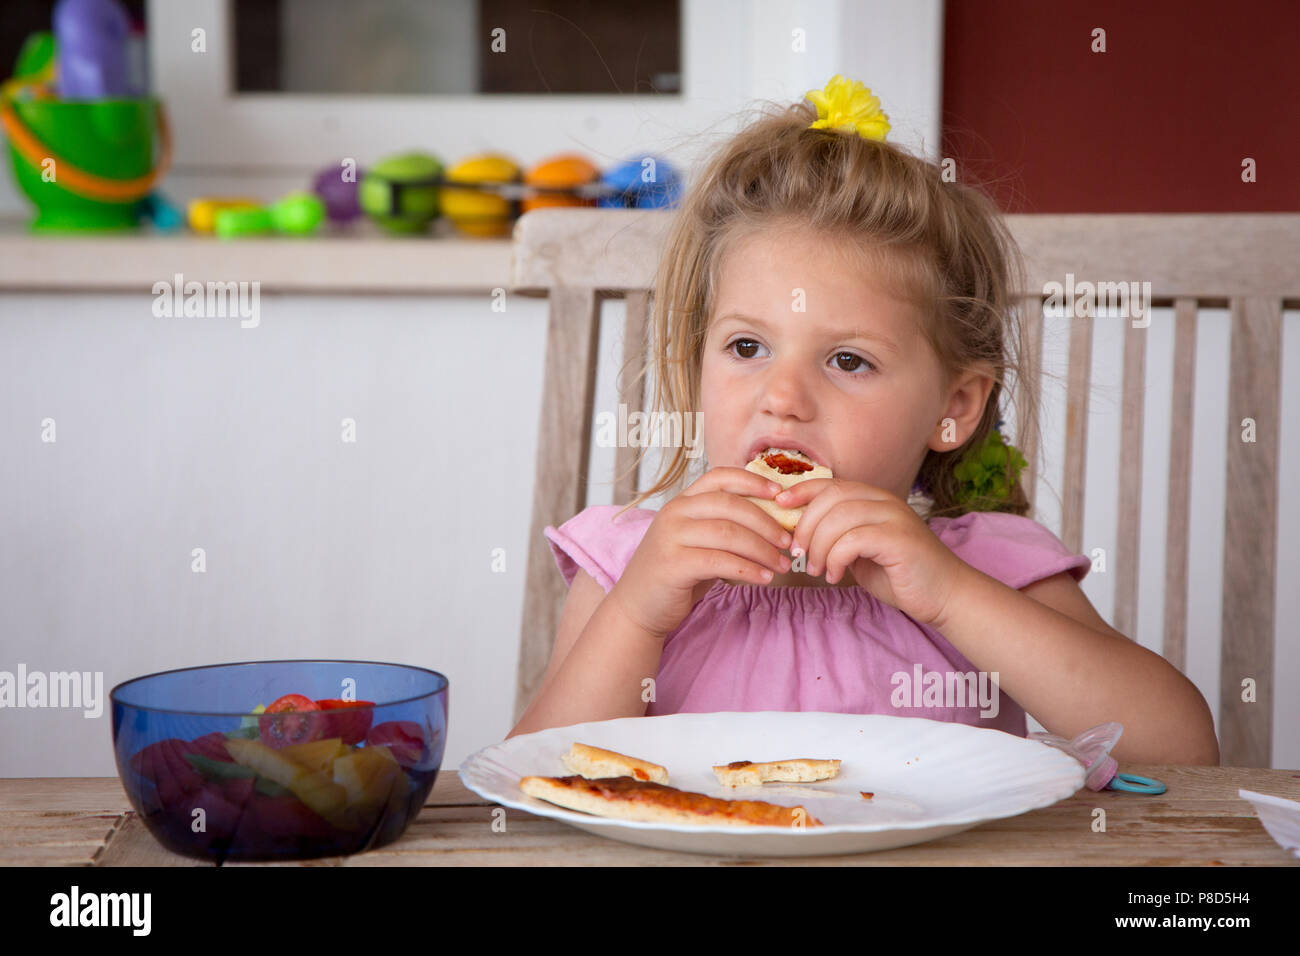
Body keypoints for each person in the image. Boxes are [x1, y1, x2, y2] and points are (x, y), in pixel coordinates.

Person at [507, 76, 1219, 766]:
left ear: (953, 408)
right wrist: (637, 614)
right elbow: (534, 778)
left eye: (848, 360)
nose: (783, 396)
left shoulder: (986, 569)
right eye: (747, 347)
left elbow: (1182, 751)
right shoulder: (634, 564)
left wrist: (948, 594)